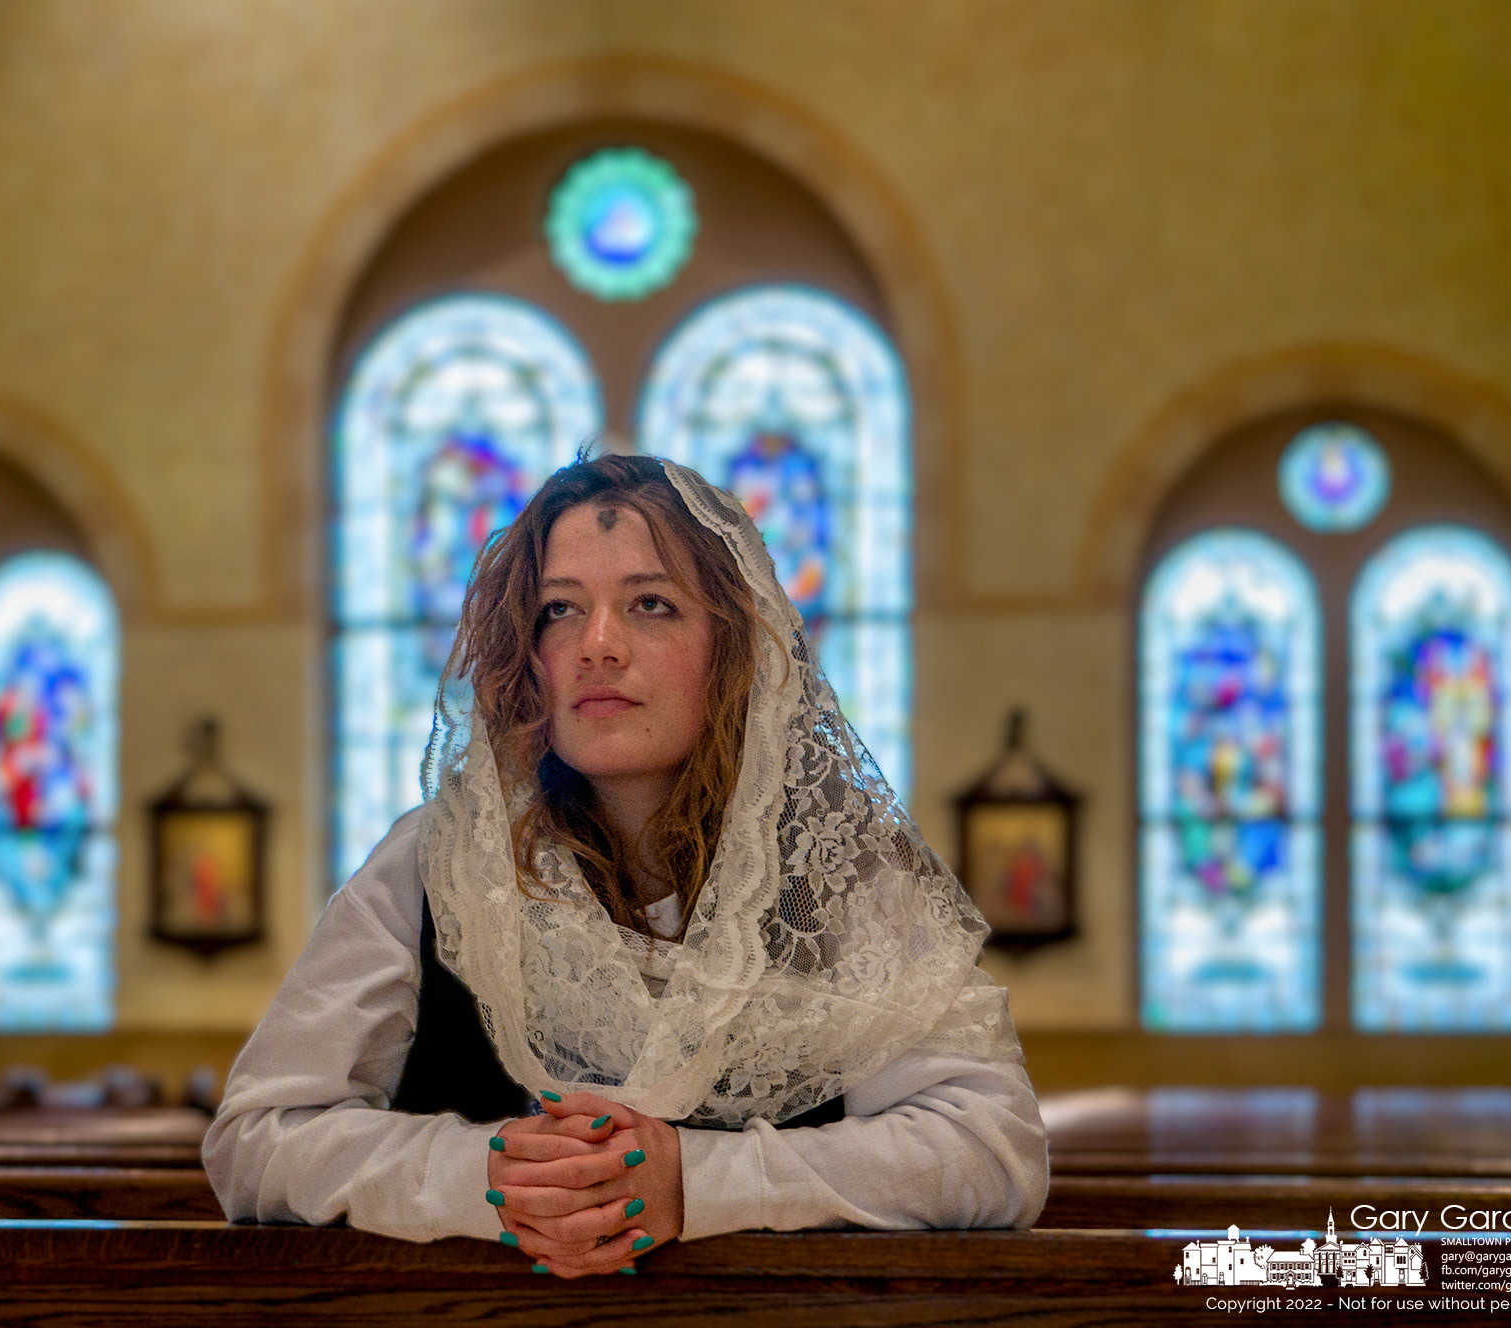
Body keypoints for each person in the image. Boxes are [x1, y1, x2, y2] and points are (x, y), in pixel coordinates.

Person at [203, 451, 1048, 1276]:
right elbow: (257, 1140)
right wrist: (485, 1177)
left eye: (650, 604)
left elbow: (990, 1149)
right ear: (524, 654)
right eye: (559, 611)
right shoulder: (433, 865)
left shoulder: (841, 875)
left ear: (736, 648)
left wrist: (695, 1182)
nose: (597, 645)